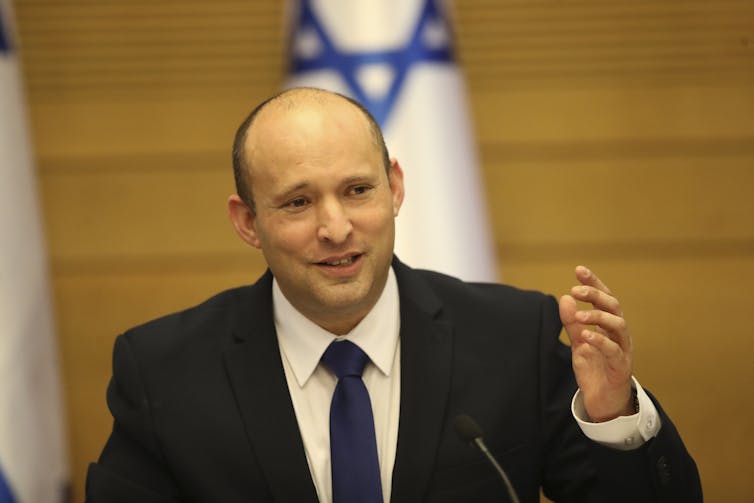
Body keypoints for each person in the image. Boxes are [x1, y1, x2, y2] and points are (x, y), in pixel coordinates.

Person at [86, 88, 701, 502]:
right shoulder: (164, 371)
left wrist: (613, 414)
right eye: (298, 202)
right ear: (247, 221)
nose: (335, 228)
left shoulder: (515, 337)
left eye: (357, 190)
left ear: (395, 187)